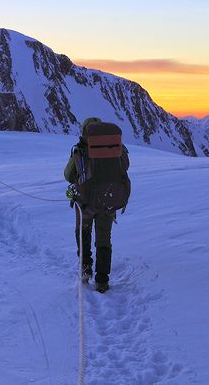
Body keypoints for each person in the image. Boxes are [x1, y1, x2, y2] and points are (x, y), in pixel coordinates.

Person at [64, 117, 131, 293]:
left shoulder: (81, 150)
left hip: (85, 202)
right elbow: (126, 166)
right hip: (108, 200)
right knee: (103, 239)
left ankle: (85, 268)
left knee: (83, 232)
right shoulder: (116, 149)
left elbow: (69, 175)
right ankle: (102, 281)